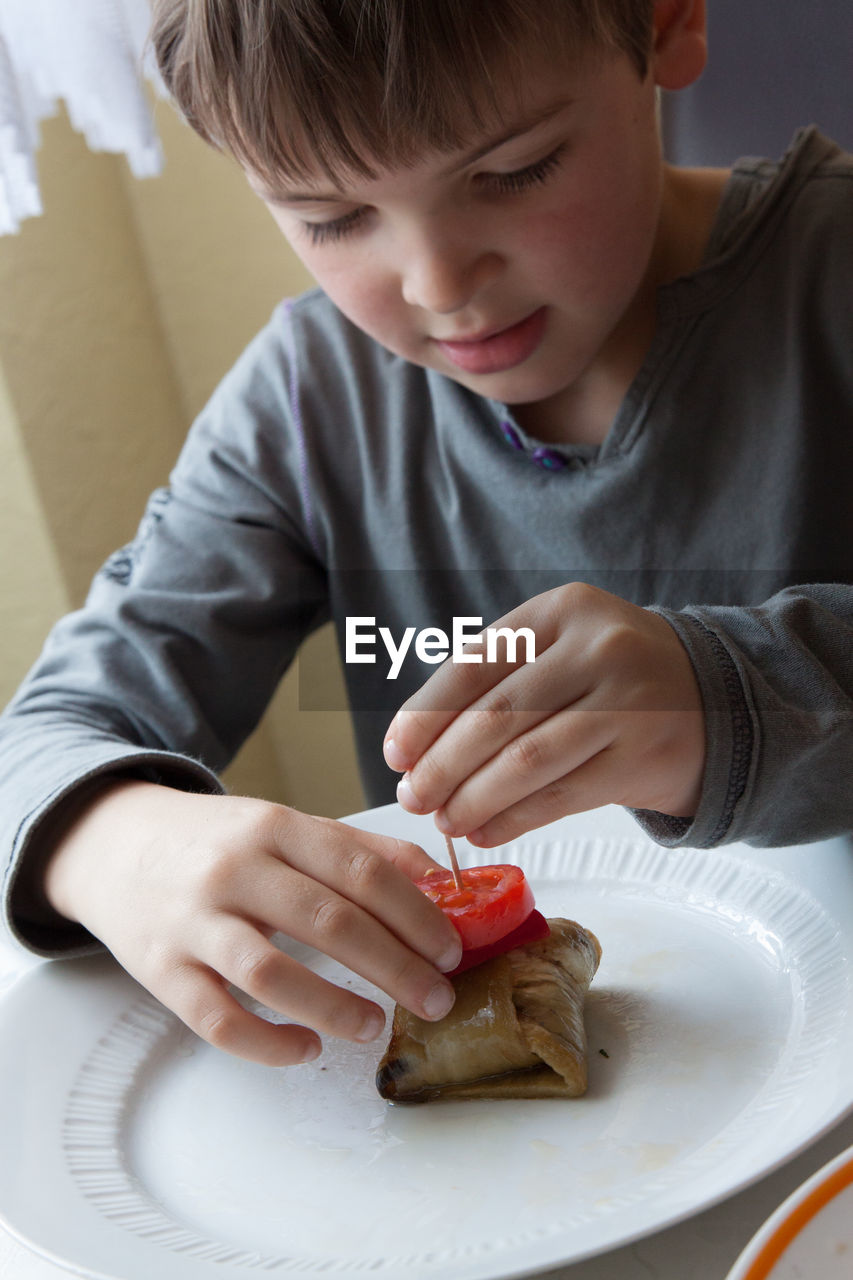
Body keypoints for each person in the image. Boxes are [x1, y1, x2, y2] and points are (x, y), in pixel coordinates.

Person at [1, 0, 851, 1068]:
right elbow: (52, 728)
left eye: (516, 170)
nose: (441, 286)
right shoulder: (310, 401)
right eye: (330, 217)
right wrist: (113, 838)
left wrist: (735, 696)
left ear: (666, 22)